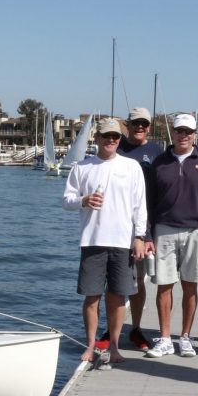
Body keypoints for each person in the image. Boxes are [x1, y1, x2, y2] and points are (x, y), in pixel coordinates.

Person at [62, 118, 147, 367]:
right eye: (106, 136)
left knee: (118, 297)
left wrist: (139, 237)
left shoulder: (131, 167)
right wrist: (83, 200)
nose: (111, 140)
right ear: (96, 138)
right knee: (91, 296)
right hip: (92, 240)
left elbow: (139, 205)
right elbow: (66, 200)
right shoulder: (82, 167)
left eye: (116, 137)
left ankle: (115, 345)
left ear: (120, 140)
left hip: (122, 242)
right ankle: (90, 344)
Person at [144, 113, 198, 358]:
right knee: (164, 286)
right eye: (179, 131)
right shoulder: (159, 163)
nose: (184, 135)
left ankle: (185, 337)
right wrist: (147, 234)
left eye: (188, 131)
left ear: (195, 134)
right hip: (164, 230)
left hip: (196, 232)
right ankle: (165, 337)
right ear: (173, 133)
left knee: (190, 286)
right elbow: (148, 201)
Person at [116, 106, 165, 350]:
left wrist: (150, 233)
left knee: (138, 280)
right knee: (113, 281)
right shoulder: (116, 146)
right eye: (136, 123)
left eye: (144, 124)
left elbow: (162, 190)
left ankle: (135, 328)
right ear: (128, 124)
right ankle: (111, 329)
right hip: (115, 225)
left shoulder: (156, 151)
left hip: (143, 226)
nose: (140, 128)